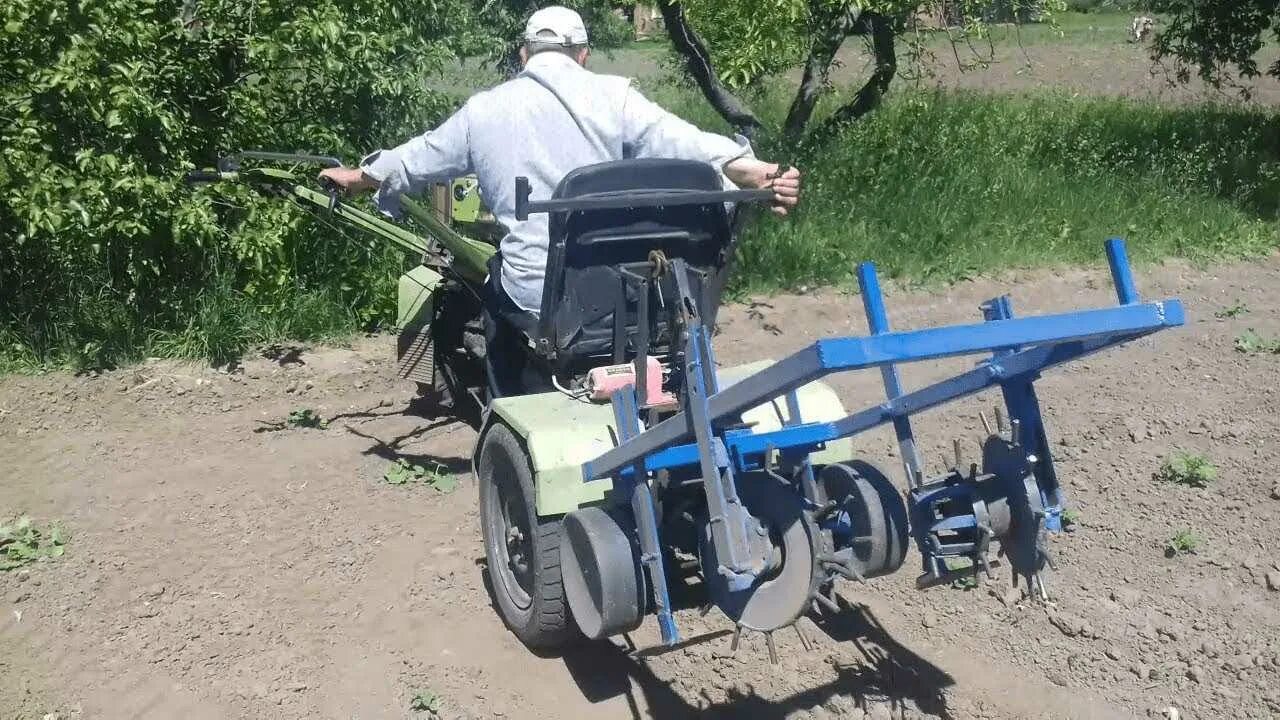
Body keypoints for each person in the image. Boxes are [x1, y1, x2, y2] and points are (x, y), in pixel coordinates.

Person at [320, 6, 800, 394]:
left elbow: (416, 157)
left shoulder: (483, 111)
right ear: (583, 55)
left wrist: (361, 176)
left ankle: (508, 414)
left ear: (524, 54)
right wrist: (751, 170)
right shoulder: (617, 98)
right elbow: (682, 141)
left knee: (494, 287)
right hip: (639, 289)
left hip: (546, 298)